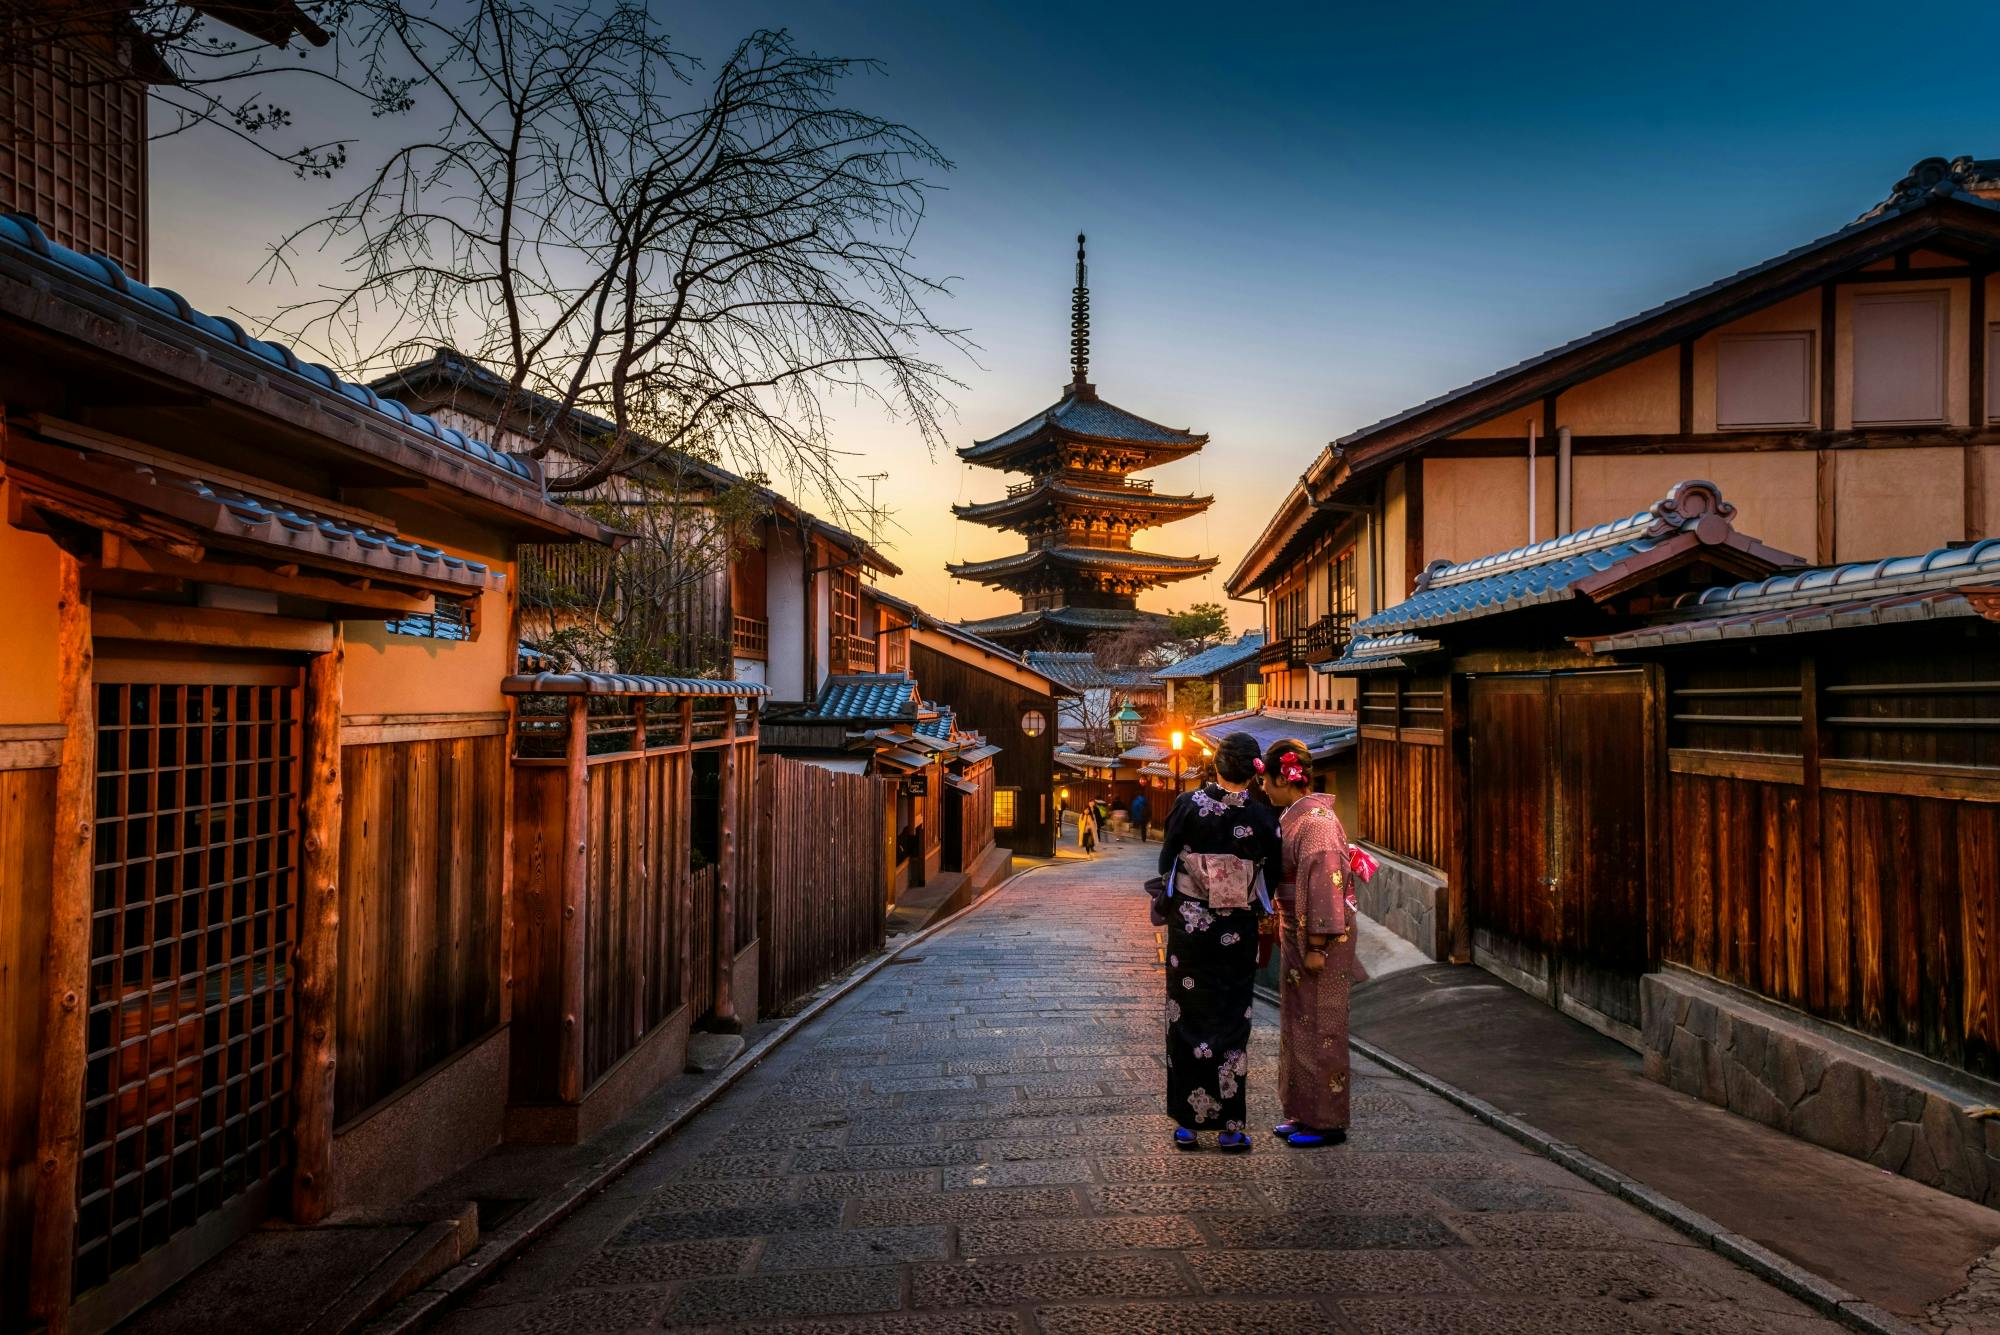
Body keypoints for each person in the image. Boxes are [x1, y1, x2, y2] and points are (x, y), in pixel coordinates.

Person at [1156, 732, 1282, 1152]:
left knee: (1186, 1016)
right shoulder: (1264, 816)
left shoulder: (1188, 805)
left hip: (1192, 929)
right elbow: (1272, 874)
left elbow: (1167, 858)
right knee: (1231, 1019)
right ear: (1254, 770)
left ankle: (1188, 1125)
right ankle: (1231, 1126)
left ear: (1216, 765)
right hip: (1237, 931)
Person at [1260, 738, 1362, 1147]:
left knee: (1323, 1026)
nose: (1262, 788)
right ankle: (1301, 1111)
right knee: (1299, 1022)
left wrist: (1318, 945)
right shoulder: (1297, 816)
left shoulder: (1316, 824)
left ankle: (1326, 1122)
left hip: (1320, 938)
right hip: (1297, 931)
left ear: (1284, 778)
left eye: (1266, 780)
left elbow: (1324, 887)